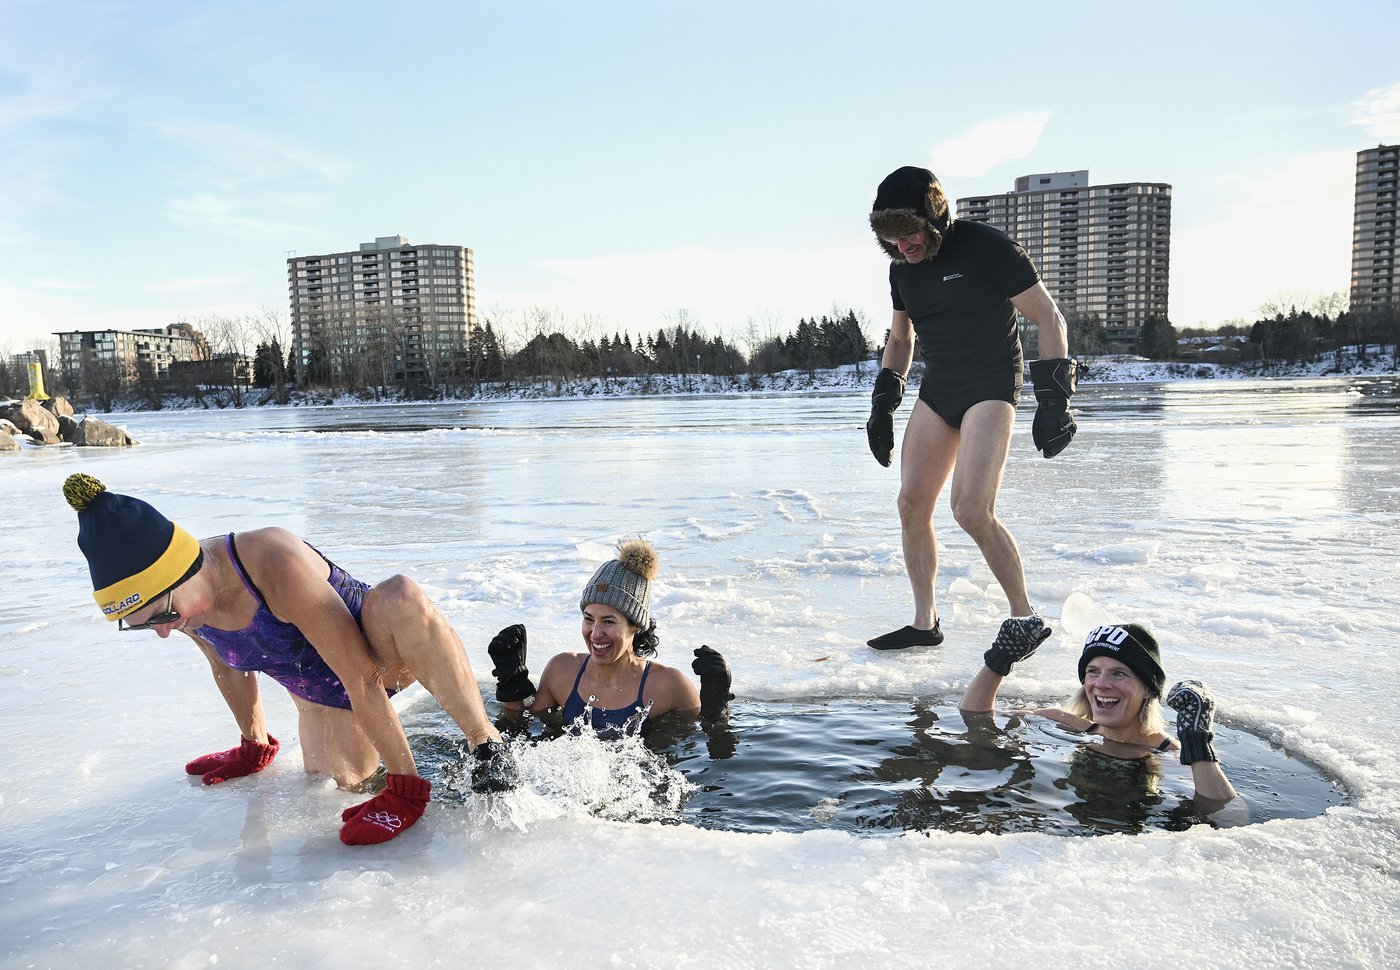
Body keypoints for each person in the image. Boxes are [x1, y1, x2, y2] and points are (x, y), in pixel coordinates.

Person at [63, 472, 514, 847]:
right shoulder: (184, 608)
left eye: (161, 616)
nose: (163, 630)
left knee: (399, 595)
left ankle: (483, 738)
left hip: (378, 656)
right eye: (143, 625)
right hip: (316, 690)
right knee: (343, 786)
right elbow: (227, 663)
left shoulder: (270, 562)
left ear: (184, 572)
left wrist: (406, 788)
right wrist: (252, 743)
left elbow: (362, 676)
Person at [864, 165, 1078, 654]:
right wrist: (883, 402)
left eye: (910, 232)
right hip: (940, 389)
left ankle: (1024, 616)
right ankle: (924, 623)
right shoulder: (902, 270)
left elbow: (1049, 317)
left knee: (970, 509)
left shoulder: (988, 247)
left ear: (934, 218)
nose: (903, 246)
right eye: (892, 237)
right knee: (911, 504)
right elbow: (901, 338)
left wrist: (1055, 399)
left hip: (991, 384)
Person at [959, 621, 1238, 803]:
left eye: (1119, 674)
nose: (1101, 684)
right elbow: (977, 718)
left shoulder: (1172, 753)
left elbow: (1227, 814)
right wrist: (999, 659)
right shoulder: (1065, 722)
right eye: (1093, 672)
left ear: (1150, 690)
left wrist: (1197, 740)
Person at [485, 538, 733, 737]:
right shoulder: (563, 671)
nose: (595, 633)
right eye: (589, 618)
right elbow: (524, 731)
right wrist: (511, 688)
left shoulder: (668, 685)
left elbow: (704, 742)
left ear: (635, 625)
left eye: (609, 621)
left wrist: (716, 709)